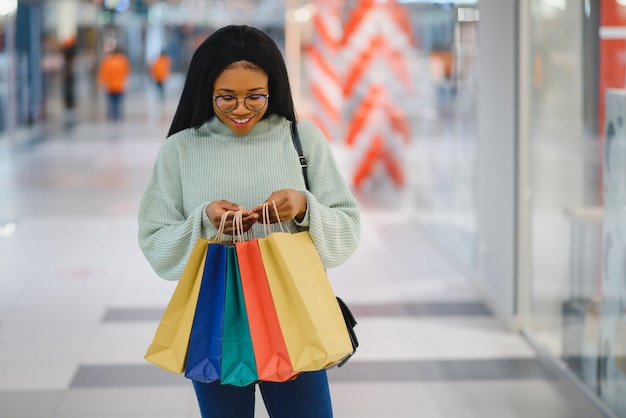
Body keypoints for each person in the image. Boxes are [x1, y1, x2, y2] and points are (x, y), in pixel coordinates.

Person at [137, 25, 361, 418]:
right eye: (226, 98)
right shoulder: (181, 150)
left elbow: (347, 228)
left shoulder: (303, 140)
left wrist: (305, 207)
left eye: (255, 97)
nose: (241, 110)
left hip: (295, 316)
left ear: (273, 88)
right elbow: (156, 241)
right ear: (205, 91)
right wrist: (204, 221)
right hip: (215, 322)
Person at [97, 47, 131, 121]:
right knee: (118, 101)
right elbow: (127, 72)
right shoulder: (123, 61)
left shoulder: (107, 61)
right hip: (120, 85)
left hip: (110, 86)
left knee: (112, 102)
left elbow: (103, 74)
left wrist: (101, 83)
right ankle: (118, 115)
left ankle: (112, 115)